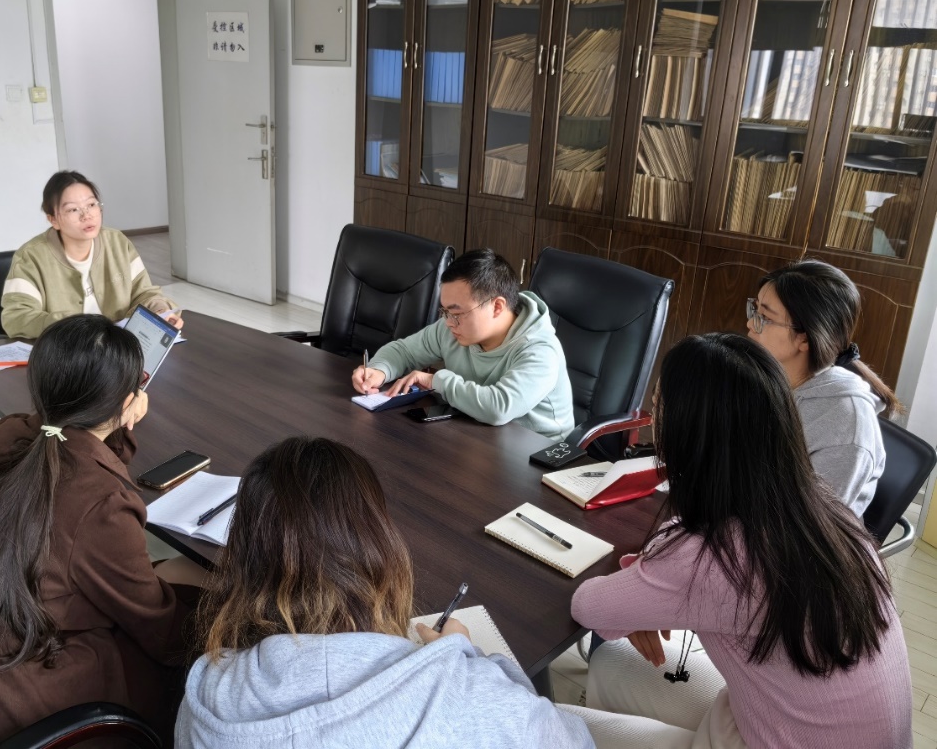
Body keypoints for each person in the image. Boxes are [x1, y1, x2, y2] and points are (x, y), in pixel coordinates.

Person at [572, 333, 911, 749]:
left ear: (689, 433)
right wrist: (652, 583)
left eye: (658, 405)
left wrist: (649, 582)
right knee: (613, 663)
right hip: (805, 724)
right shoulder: (823, 507)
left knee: (554, 725)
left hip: (781, 737)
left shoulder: (713, 557)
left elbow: (588, 606)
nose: (652, 417)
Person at [0, 315, 202, 748]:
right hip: (6, 701)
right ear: (128, 401)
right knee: (191, 633)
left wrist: (112, 422)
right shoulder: (103, 505)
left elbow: (73, 457)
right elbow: (160, 631)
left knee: (165, 576)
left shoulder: (9, 432)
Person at [177, 435, 606, 748]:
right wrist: (467, 659)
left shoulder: (205, 697)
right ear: (379, 544)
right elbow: (574, 741)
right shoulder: (468, 695)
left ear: (246, 558)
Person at [350, 249, 574, 440]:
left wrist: (435, 380)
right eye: (445, 311)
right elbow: (404, 351)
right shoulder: (452, 328)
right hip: (475, 434)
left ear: (497, 307)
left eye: (456, 313)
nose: (448, 322)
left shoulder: (539, 350)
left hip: (538, 454)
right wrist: (379, 370)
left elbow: (498, 408)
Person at [748, 259, 898, 516]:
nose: (751, 324)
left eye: (765, 317)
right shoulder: (769, 380)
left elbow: (806, 526)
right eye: (754, 311)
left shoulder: (846, 426)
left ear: (805, 338)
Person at [2, 170, 183, 339]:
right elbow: (17, 317)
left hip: (118, 348)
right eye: (73, 209)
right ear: (53, 219)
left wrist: (160, 312)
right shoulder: (31, 257)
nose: (86, 215)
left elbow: (144, 293)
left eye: (91, 205)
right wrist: (71, 325)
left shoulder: (117, 242)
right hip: (67, 351)